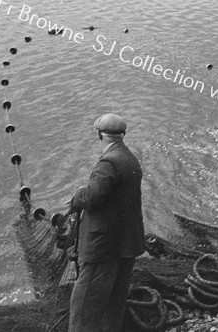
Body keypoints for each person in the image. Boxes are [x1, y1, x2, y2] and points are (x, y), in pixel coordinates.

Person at [68, 113, 144, 332]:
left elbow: (93, 196)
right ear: (122, 135)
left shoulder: (108, 161)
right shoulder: (130, 158)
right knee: (114, 300)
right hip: (126, 242)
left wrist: (76, 198)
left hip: (104, 246)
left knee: (85, 303)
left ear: (100, 135)